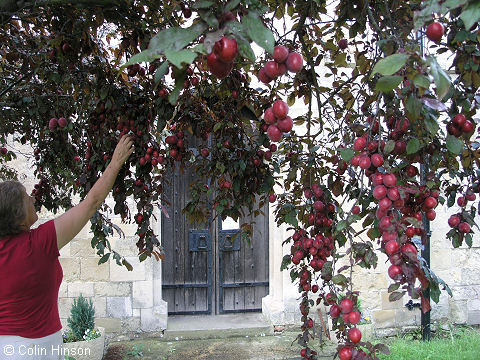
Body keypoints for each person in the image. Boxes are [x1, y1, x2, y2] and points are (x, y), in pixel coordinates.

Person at [0, 134, 134, 360]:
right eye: (26, 198)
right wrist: (116, 162)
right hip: (39, 349)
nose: (33, 199)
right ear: (17, 215)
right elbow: (91, 203)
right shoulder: (40, 243)